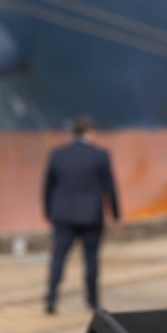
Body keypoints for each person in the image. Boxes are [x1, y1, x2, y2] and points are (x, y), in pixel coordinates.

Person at [42, 115, 120, 313]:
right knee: (91, 260)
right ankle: (92, 302)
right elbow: (110, 187)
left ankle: (51, 298)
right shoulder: (100, 154)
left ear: (72, 133)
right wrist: (116, 214)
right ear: (90, 132)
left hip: (63, 215)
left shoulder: (58, 154)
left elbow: (47, 187)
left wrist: (48, 212)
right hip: (91, 216)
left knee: (58, 258)